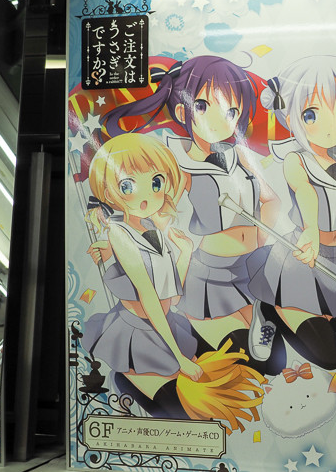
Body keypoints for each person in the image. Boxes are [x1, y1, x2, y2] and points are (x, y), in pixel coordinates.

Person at [102, 56, 286, 375]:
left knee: (276, 359)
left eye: (230, 110)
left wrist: (258, 242)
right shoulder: (181, 162)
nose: (218, 120)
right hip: (211, 274)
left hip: (252, 264)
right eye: (203, 106)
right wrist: (118, 240)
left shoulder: (239, 154)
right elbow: (159, 209)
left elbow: (271, 200)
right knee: (256, 362)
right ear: (182, 111)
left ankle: (261, 312)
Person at [247, 55, 336, 370]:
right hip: (304, 259)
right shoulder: (296, 160)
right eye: (311, 114)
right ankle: (270, 309)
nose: (331, 127)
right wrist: (310, 228)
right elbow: (305, 192)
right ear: (291, 116)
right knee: (329, 358)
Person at [82, 133, 201, 418]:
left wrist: (185, 253)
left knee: (198, 408)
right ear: (109, 193)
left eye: (156, 182)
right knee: (180, 413)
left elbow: (171, 295)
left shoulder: (155, 229)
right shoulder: (119, 233)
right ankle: (128, 382)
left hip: (165, 323)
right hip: (138, 331)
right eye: (128, 185)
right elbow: (147, 294)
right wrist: (179, 357)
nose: (147, 197)